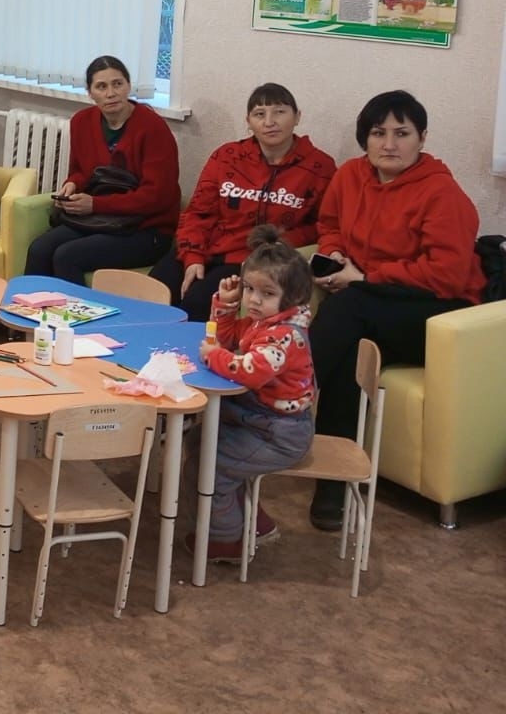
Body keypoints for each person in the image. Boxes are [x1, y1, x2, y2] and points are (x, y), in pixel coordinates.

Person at [307, 90, 483, 531]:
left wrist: (366, 277)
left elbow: (447, 275)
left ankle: (282, 396)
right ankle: (333, 484)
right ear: (364, 139)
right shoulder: (350, 176)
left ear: (422, 138)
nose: (389, 144)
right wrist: (334, 255)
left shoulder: (442, 193)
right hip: (374, 301)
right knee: (351, 350)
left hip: (440, 311)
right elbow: (329, 224)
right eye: (378, 133)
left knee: (350, 309)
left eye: (402, 133)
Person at [150, 83, 335, 319]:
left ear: (297, 117)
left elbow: (323, 225)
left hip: (250, 262)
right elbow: (198, 213)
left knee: (196, 304)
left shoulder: (320, 167)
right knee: (151, 295)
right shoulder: (227, 157)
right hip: (205, 248)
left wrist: (279, 242)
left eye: (279, 112)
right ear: (248, 121)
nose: (269, 122)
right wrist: (193, 256)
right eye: (260, 114)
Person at [189, 225, 317, 564]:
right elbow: (230, 340)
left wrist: (213, 356)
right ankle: (254, 523)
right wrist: (227, 306)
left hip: (280, 433)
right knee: (199, 440)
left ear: (292, 298)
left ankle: (226, 540)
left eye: (267, 293)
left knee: (212, 466)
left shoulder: (284, 335)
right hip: (256, 419)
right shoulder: (264, 321)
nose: (254, 300)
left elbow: (249, 369)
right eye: (249, 289)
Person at [24, 55, 180, 284]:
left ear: (128, 86)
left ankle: (77, 309)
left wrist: (95, 204)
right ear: (90, 92)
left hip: (147, 229)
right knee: (39, 249)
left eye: (117, 84)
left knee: (67, 256)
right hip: (100, 219)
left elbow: (157, 197)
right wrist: (72, 184)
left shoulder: (154, 128)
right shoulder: (81, 122)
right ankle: (29, 306)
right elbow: (80, 171)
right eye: (101, 86)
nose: (111, 93)